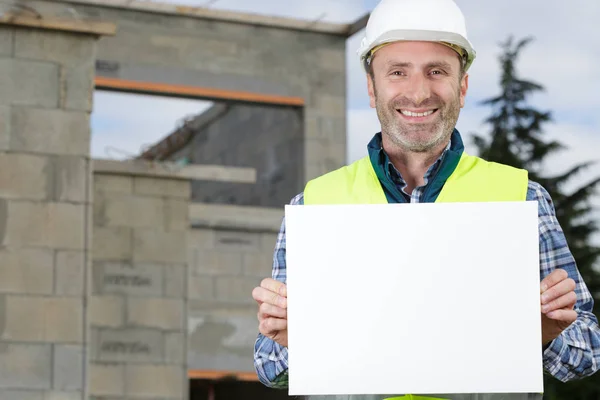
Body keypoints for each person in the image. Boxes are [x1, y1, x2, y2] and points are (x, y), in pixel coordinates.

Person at [251, 0, 600, 399]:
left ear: (462, 87)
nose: (418, 93)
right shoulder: (313, 207)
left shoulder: (521, 199)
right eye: (398, 72)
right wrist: (293, 339)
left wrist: (544, 333)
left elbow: (587, 352)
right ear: (372, 88)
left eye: (437, 71)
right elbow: (268, 366)